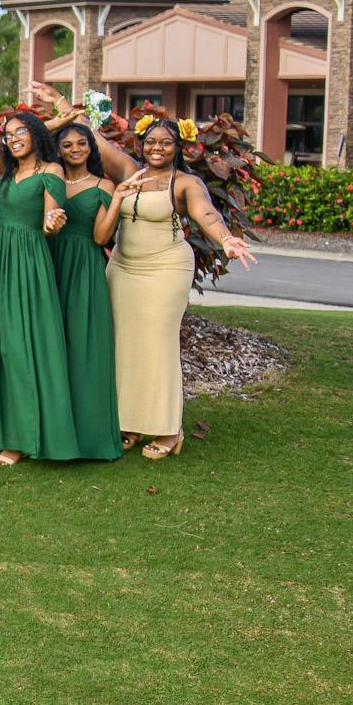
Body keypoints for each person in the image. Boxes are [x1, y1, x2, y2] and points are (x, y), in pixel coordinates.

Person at [0, 64, 92, 464]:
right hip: (0, 257)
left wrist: (52, 222)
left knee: (20, 344)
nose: (12, 139)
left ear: (37, 135)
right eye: (9, 135)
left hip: (28, 260)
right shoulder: (9, 168)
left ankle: (20, 437)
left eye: (20, 132)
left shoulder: (51, 170)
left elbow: (51, 216)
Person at [105, 116, 257, 460]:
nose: (157, 148)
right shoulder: (130, 171)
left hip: (166, 268)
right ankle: (130, 422)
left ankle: (170, 429)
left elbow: (207, 214)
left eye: (166, 142)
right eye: (151, 141)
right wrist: (63, 106)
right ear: (141, 144)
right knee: (124, 343)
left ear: (179, 147)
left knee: (158, 344)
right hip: (123, 268)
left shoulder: (185, 183)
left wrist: (226, 239)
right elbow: (93, 141)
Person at [48, 122, 123, 462]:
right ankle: (53, 428)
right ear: (58, 150)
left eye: (81, 143)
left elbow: (101, 237)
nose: (75, 149)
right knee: (51, 344)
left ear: (91, 148)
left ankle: (88, 434)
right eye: (67, 145)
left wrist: (117, 198)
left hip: (84, 269)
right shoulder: (50, 179)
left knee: (83, 344)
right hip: (49, 263)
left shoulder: (104, 185)